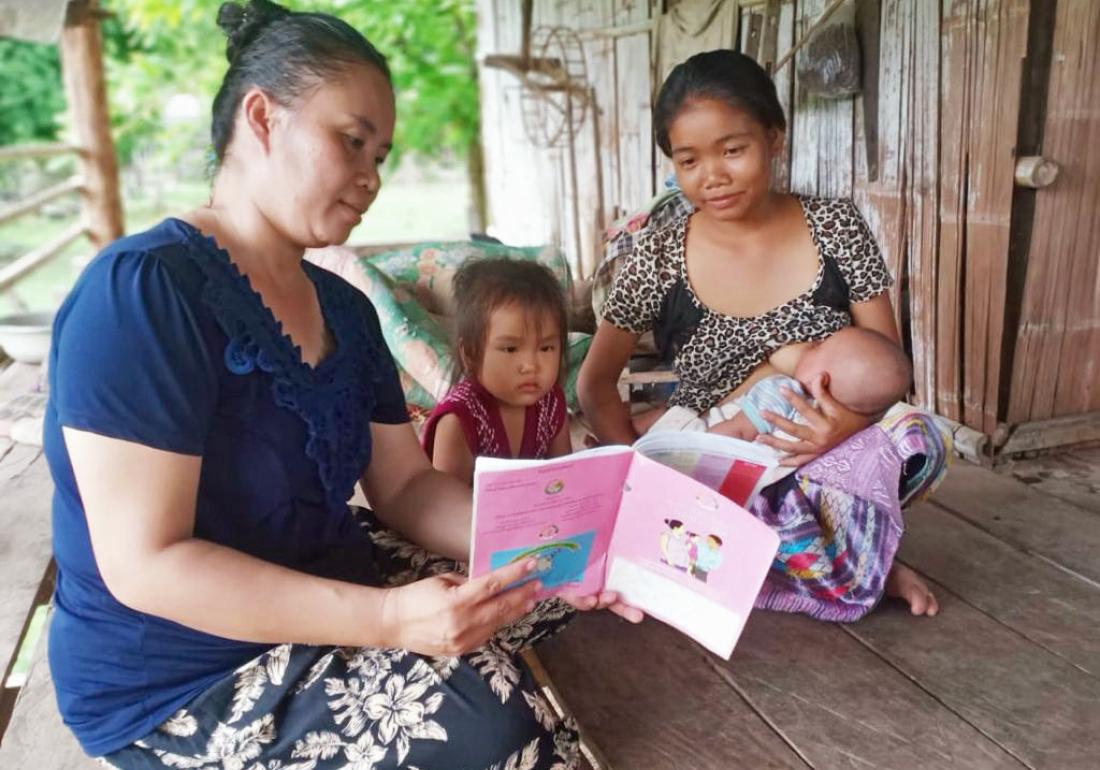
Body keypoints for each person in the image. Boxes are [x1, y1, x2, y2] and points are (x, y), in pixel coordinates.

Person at [43, 3, 638, 767]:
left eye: (381, 154)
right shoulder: (143, 295)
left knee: (554, 589)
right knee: (496, 726)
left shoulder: (347, 312)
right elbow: (146, 564)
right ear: (262, 117)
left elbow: (405, 488)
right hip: (181, 673)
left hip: (327, 583)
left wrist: (561, 542)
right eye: (352, 142)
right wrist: (389, 620)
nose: (371, 178)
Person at [577, 49, 948, 621]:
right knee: (676, 485)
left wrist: (838, 428)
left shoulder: (837, 226)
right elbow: (595, 383)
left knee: (914, 434)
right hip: (715, 458)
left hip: (828, 447)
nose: (713, 176)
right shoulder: (658, 253)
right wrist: (635, 469)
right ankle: (848, 564)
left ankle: (860, 559)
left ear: (774, 139)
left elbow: (888, 363)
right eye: (689, 160)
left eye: (733, 150)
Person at [421, 258, 572, 485]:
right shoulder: (458, 420)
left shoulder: (551, 404)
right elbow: (446, 506)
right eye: (510, 349)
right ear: (470, 353)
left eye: (546, 348)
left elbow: (562, 482)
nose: (531, 365)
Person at [652, 326, 912, 441]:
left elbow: (737, 431)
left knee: (669, 419)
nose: (810, 343)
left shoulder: (782, 390)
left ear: (821, 380)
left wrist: (689, 451)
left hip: (709, 435)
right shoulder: (831, 420)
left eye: (818, 346)